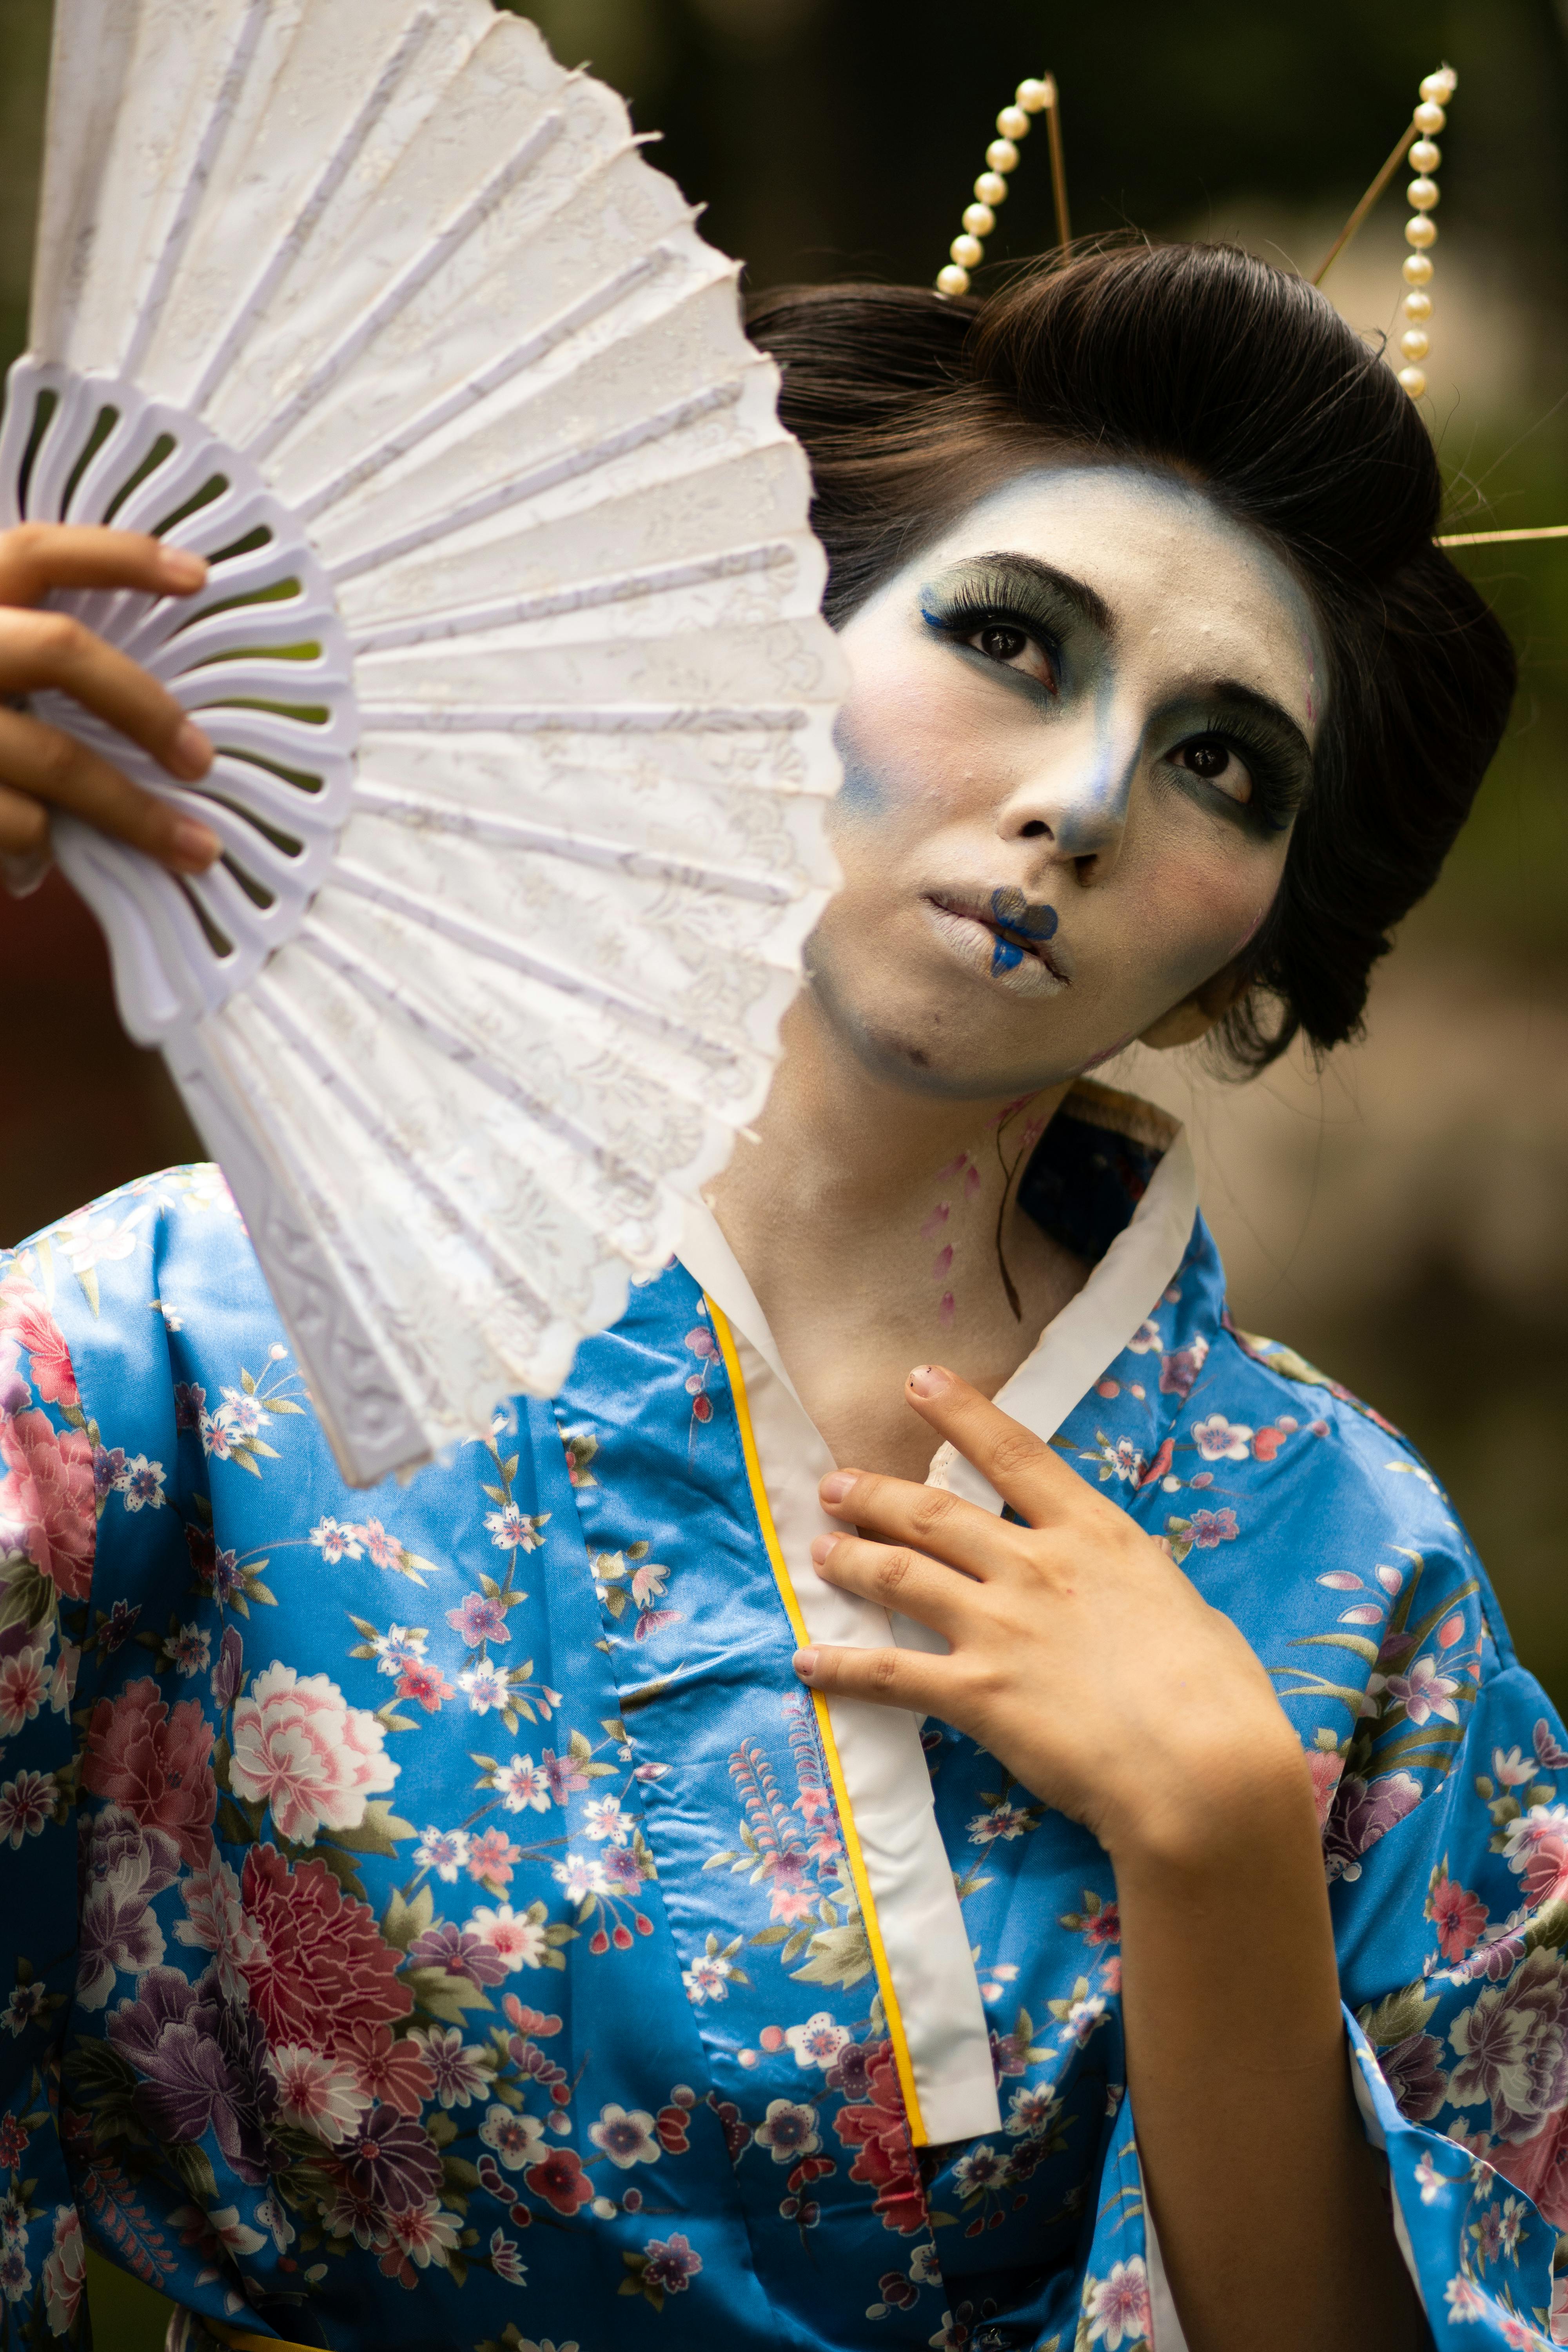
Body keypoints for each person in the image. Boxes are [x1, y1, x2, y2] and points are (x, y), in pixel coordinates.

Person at [0, 239, 1553, 2352]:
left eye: (1226, 768)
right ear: (738, 648)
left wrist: (1218, 1848)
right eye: (1011, 639)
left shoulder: (1345, 1567)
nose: (1087, 798)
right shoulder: (178, 1340)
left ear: (1258, 947)